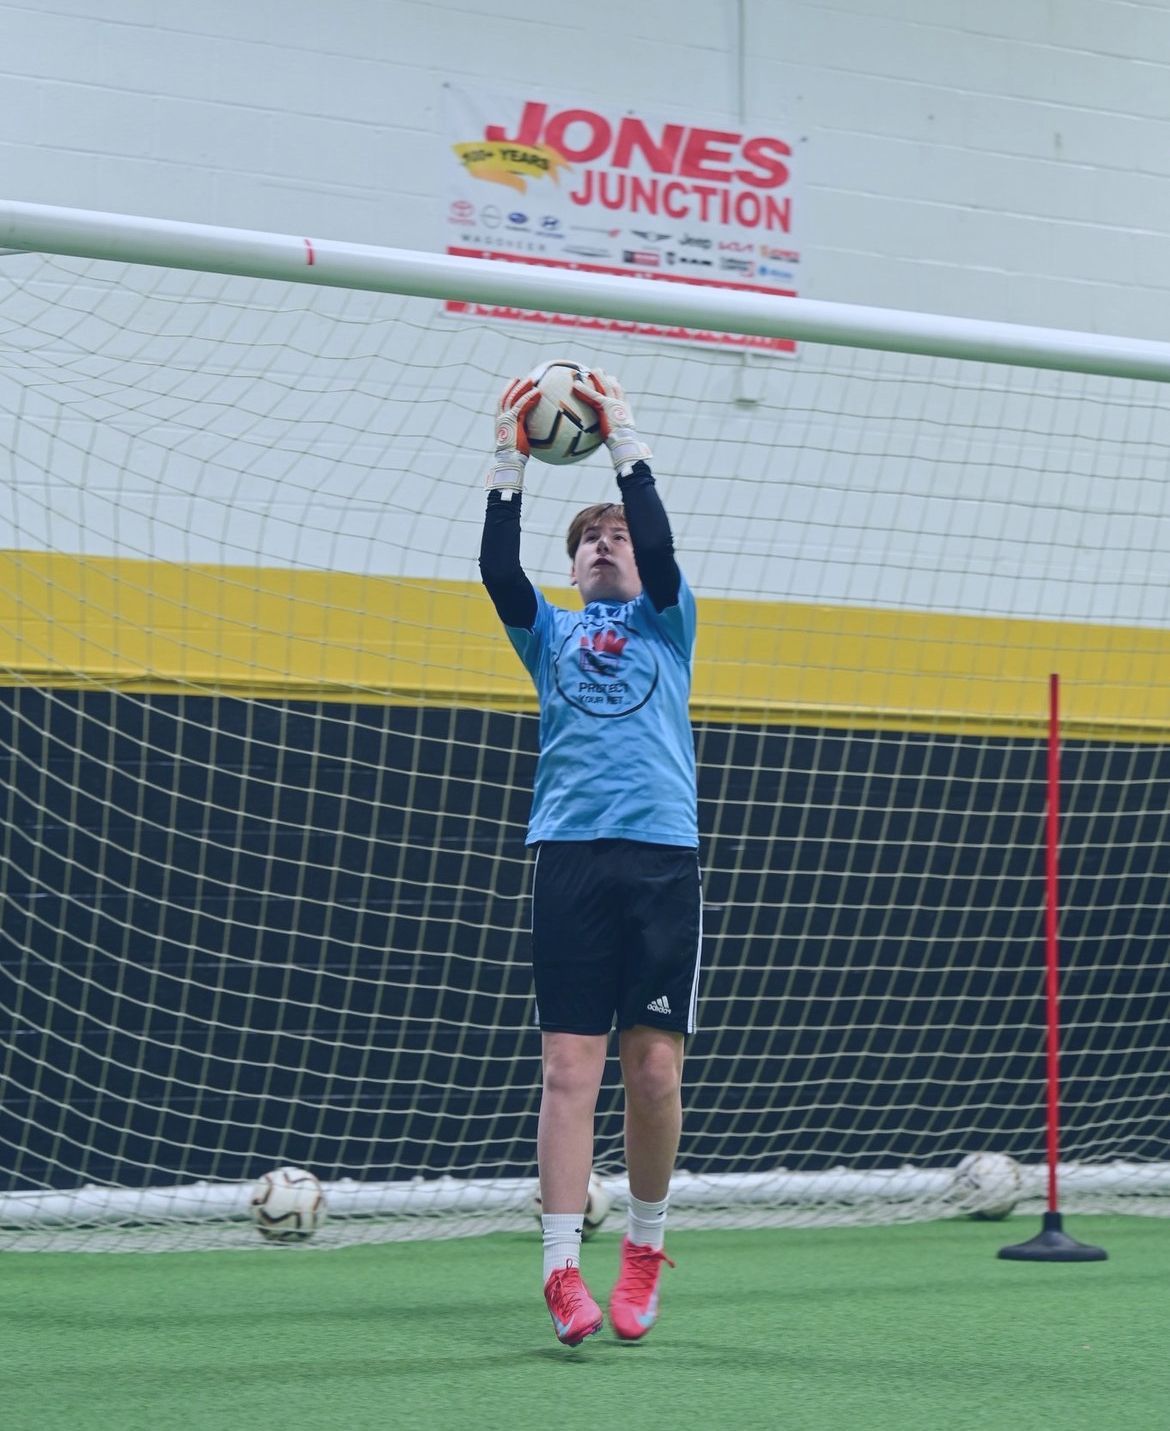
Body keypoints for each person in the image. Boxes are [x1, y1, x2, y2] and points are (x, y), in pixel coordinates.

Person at [478, 368, 701, 1347]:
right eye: (587, 541)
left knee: (652, 1072)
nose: (605, 546)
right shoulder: (552, 636)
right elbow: (497, 573)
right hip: (569, 859)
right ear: (570, 570)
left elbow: (653, 536)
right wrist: (507, 461)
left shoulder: (668, 623)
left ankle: (645, 1247)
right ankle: (560, 1269)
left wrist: (625, 442)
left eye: (613, 537)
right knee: (570, 1069)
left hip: (660, 861)